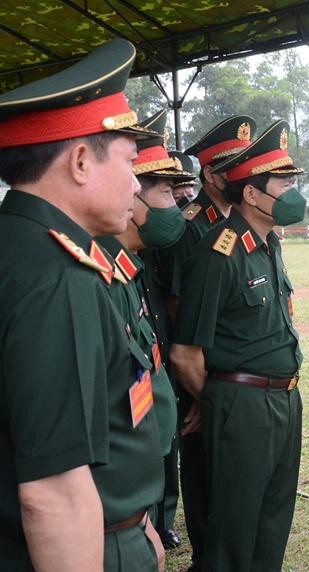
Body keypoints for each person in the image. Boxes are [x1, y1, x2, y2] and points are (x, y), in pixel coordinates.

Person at [0, 39, 165, 571]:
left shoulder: (16, 245)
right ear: (78, 162)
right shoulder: (59, 277)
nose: (136, 183)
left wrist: (138, 522)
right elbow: (53, 494)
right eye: (129, 161)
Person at [171, 119, 307, 572]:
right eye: (283, 182)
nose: (292, 191)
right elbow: (185, 354)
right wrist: (218, 406)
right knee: (232, 533)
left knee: (271, 525)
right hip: (243, 404)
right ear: (251, 193)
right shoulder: (219, 252)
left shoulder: (268, 245)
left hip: (284, 399)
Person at [96, 108, 194, 555]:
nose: (175, 205)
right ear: (131, 197)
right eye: (166, 194)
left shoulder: (129, 271)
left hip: (135, 502)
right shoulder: (96, 279)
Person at [164, 114, 256, 570]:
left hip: (236, 383)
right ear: (211, 175)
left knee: (237, 483)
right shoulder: (190, 226)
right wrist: (206, 394)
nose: (242, 176)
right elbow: (180, 312)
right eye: (231, 168)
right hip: (204, 380)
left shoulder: (246, 222)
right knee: (204, 474)